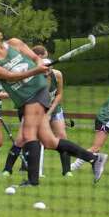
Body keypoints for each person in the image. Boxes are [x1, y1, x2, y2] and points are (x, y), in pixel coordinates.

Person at [0, 26, 106, 187]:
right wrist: (35, 70)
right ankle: (94, 158)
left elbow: (35, 58)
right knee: (50, 141)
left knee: (29, 135)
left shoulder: (14, 43)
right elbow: (9, 76)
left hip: (37, 90)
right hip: (22, 99)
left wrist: (42, 67)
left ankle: (32, 181)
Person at [32, 45, 72, 177]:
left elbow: (59, 94)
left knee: (62, 137)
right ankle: (29, 168)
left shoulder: (58, 75)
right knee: (35, 139)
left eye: (49, 67)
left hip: (54, 109)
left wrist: (50, 112)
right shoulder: (34, 78)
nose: (47, 70)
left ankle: (67, 171)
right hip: (38, 109)